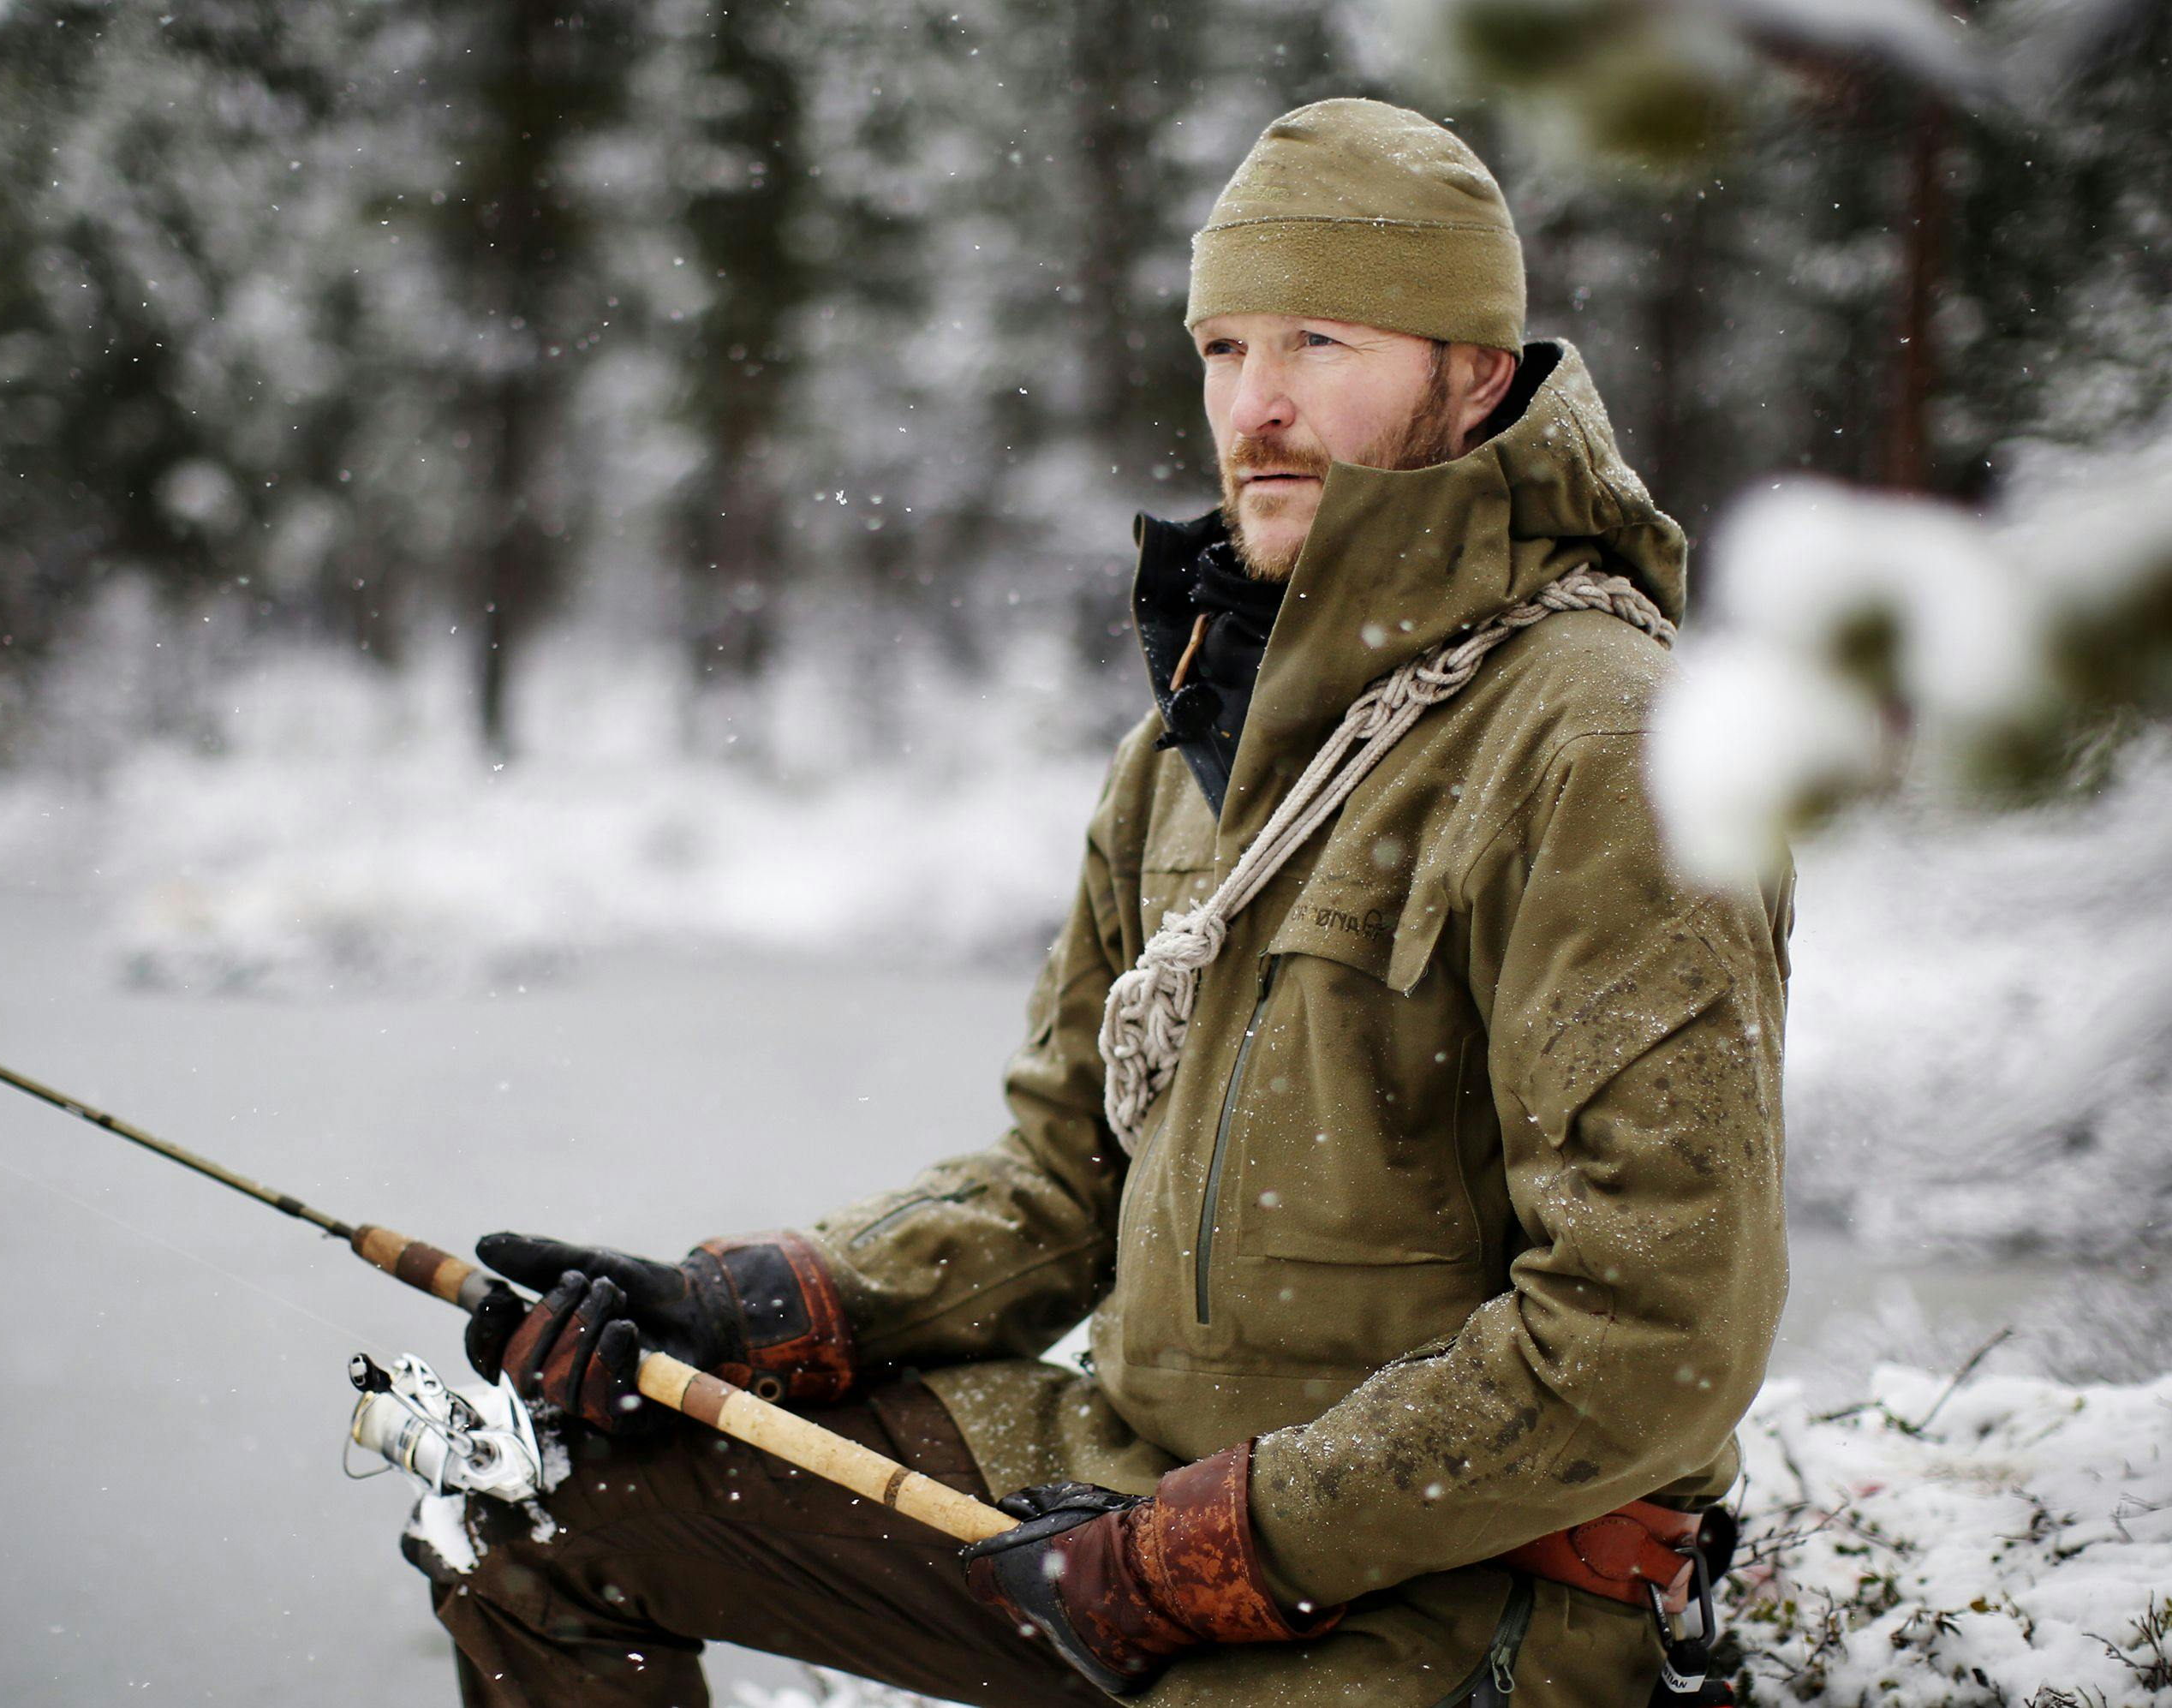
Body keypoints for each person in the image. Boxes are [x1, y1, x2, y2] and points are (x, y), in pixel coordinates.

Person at [409, 96, 1794, 1708]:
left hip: (1450, 1578)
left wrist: (1238, 1536)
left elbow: (1651, 1339)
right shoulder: (1198, 736)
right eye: (1223, 347)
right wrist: (746, 1307)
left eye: (1320, 341)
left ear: (1475, 372)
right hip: (1120, 1484)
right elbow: (1066, 1176)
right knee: (542, 1500)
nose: (1256, 406)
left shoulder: (1611, 740)